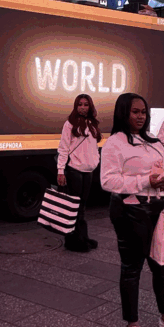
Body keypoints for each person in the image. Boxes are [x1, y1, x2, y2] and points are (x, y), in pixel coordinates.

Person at [100, 93, 164, 327]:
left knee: (163, 267)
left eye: (143, 112)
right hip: (130, 212)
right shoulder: (115, 144)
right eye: (135, 112)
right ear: (123, 113)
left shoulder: (153, 141)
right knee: (132, 269)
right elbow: (107, 182)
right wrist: (145, 182)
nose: (140, 116)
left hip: (158, 209)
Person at [57, 94, 101, 253]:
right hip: (74, 170)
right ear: (76, 106)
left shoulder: (93, 123)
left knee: (82, 207)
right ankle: (73, 241)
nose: (83, 107)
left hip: (88, 171)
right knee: (74, 207)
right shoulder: (69, 124)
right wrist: (61, 170)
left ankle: (83, 236)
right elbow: (63, 148)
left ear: (90, 106)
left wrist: (96, 160)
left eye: (86, 104)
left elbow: (94, 146)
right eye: (80, 104)